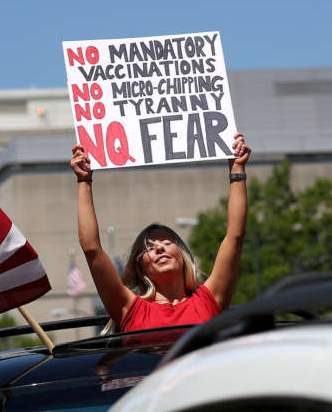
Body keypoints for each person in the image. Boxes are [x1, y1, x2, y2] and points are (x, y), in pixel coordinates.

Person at [70, 133, 251, 332]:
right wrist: (84, 181)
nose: (159, 247)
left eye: (166, 241)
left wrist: (237, 169)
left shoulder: (209, 300)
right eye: (148, 247)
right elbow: (91, 248)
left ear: (182, 254)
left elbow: (235, 237)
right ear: (140, 267)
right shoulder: (129, 308)